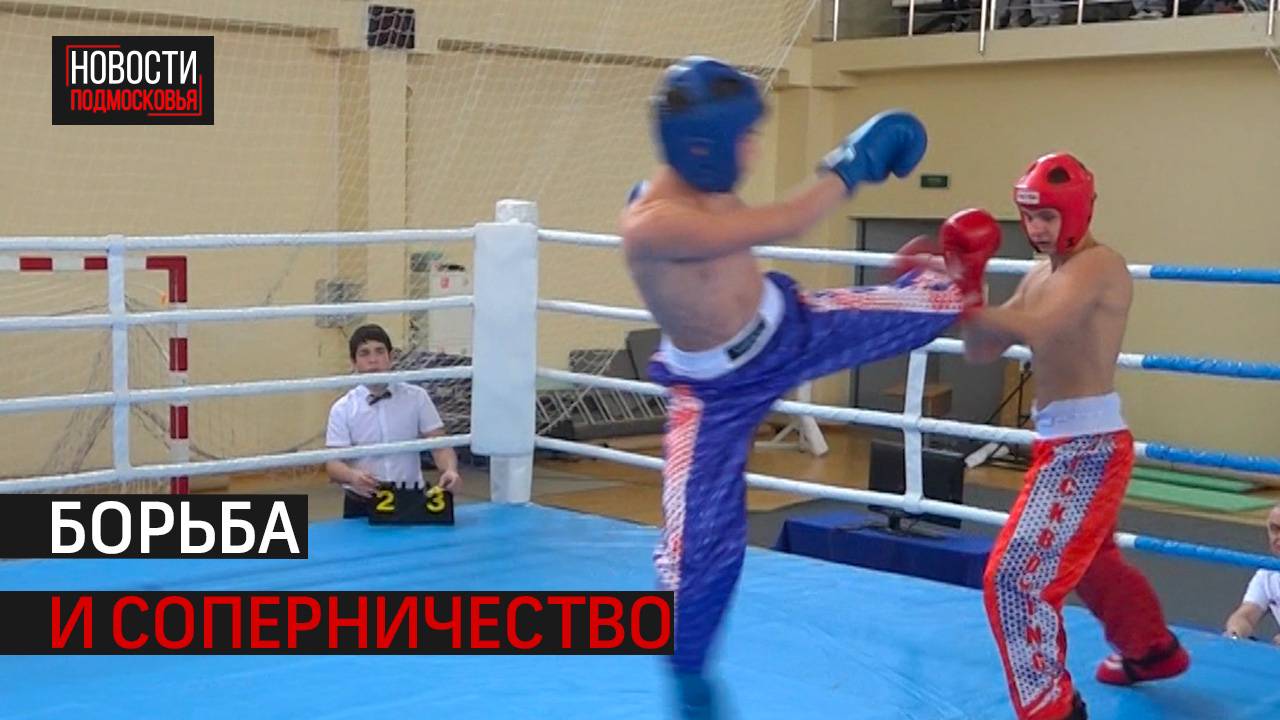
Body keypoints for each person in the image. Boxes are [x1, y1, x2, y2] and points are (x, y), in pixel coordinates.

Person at [619, 55, 1001, 718]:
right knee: (696, 548)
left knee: (917, 314)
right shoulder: (654, 222)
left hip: (784, 328)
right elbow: (787, 221)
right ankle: (689, 671)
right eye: (745, 137)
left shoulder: (703, 183)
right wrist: (852, 162)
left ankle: (943, 281)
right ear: (704, 145)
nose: (752, 151)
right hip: (712, 394)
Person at [960, 152, 1189, 720]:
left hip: (1089, 449)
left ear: (1079, 210)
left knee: (1014, 579)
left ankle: (1053, 709)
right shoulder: (1037, 274)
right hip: (1057, 444)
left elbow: (1040, 327)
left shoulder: (1099, 265)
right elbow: (982, 349)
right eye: (1029, 217)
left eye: (1048, 217)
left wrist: (965, 300)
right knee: (1091, 561)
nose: (1037, 229)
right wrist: (962, 284)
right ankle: (1150, 650)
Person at [325, 323, 460, 518]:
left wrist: (450, 470)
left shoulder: (417, 397)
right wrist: (352, 476)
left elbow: (439, 445)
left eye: (379, 351)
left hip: (410, 497)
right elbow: (333, 464)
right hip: (362, 502)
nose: (373, 360)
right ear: (354, 362)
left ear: (391, 357)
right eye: (364, 353)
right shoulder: (342, 408)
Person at [1223, 502, 1280, 644]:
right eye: (1274, 529)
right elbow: (1246, 615)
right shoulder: (1267, 574)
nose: (1278, 537)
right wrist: (1235, 634)